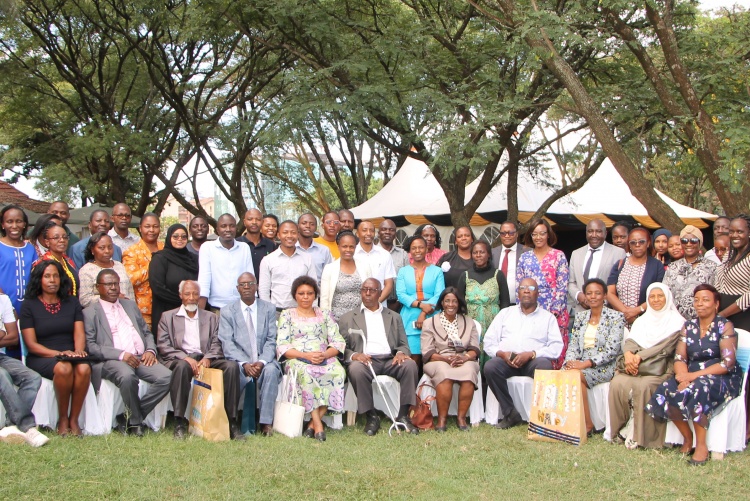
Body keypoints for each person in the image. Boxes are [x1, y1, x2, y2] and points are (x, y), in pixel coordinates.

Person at [646, 284, 744, 465]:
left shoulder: (725, 326)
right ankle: (687, 437)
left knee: (699, 388)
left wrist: (693, 377)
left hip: (722, 376)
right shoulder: (688, 326)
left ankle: (701, 446)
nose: (700, 304)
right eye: (697, 300)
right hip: (691, 374)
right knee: (665, 389)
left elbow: (727, 363)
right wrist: (682, 377)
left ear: (716, 304)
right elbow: (679, 358)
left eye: (705, 300)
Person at [83, 269, 171, 437]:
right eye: (108, 284)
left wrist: (150, 350)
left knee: (167, 377)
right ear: (97, 287)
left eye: (116, 284)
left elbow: (146, 332)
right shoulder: (89, 312)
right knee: (128, 377)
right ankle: (136, 423)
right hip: (113, 360)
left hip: (139, 357)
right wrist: (121, 354)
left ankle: (127, 418)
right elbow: (91, 347)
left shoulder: (130, 305)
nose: (114, 288)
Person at [157, 280, 243, 440]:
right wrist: (186, 358)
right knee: (182, 367)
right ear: (180, 295)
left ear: (200, 296)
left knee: (231, 367)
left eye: (195, 294)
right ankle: (179, 422)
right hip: (181, 358)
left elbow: (218, 342)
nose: (191, 297)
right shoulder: (168, 317)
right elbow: (163, 346)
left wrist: (208, 358)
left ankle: (231, 422)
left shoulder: (211, 317)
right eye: (187, 294)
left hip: (205, 357)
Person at [339, 278, 419, 435]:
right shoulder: (347, 318)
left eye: (372, 290)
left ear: (381, 293)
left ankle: (403, 415)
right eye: (364, 290)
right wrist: (355, 355)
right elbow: (341, 347)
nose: (367, 293)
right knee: (355, 369)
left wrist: (401, 353)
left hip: (390, 359)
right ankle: (371, 416)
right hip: (366, 360)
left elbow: (404, 344)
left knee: (410, 366)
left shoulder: (394, 316)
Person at [19, 260, 90, 437]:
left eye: (56, 276)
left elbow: (79, 333)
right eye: (47, 276)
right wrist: (59, 354)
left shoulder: (72, 302)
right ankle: (63, 419)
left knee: (84, 367)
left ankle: (74, 419)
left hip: (71, 353)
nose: (52, 280)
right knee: (63, 367)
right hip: (43, 356)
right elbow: (31, 344)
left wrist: (78, 352)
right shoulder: (29, 305)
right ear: (39, 280)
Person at [608, 283, 683, 449]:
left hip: (662, 368)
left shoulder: (677, 322)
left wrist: (638, 357)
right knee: (617, 382)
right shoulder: (642, 320)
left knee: (645, 385)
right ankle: (621, 429)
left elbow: (665, 347)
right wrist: (628, 355)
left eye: (660, 296)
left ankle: (642, 436)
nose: (656, 300)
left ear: (668, 298)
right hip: (638, 365)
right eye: (652, 297)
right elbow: (631, 341)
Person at [483, 278, 563, 429]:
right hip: (507, 361)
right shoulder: (505, 313)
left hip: (532, 361)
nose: (526, 290)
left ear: (537, 293)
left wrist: (532, 354)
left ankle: (543, 416)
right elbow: (489, 342)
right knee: (490, 367)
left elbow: (556, 348)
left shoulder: (548, 318)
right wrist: (502, 354)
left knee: (545, 366)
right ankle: (510, 413)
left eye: (531, 287)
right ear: (518, 293)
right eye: (523, 288)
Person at [276, 276, 346, 441]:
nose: (305, 297)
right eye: (301, 293)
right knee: (308, 373)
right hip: (297, 358)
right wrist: (305, 355)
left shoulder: (325, 314)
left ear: (316, 295)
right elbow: (282, 346)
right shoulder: (287, 315)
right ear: (295, 295)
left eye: (310, 293)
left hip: (324, 356)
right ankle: (318, 425)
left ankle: (311, 425)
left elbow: (338, 341)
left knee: (338, 372)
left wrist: (325, 354)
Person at [218, 273, 281, 437]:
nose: (246, 287)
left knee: (272, 371)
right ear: (237, 289)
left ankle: (266, 423)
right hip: (239, 362)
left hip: (263, 361)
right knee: (231, 372)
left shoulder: (268, 308)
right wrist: (244, 363)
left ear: (257, 286)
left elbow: (271, 340)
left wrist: (261, 362)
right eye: (242, 284)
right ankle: (233, 421)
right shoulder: (227, 311)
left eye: (250, 283)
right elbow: (227, 342)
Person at [562, 278, 625, 435]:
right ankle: (567, 421)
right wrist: (570, 362)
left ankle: (587, 424)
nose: (593, 297)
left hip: (605, 366)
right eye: (589, 293)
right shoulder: (581, 317)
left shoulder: (616, 317)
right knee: (566, 373)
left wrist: (586, 364)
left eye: (597, 293)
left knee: (576, 376)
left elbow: (611, 350)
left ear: (605, 295)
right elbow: (574, 344)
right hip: (581, 364)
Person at [420, 287, 480, 432]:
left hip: (463, 358)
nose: (451, 305)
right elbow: (427, 352)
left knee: (469, 371)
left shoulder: (469, 322)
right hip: (437, 360)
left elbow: (474, 349)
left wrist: (464, 358)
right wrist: (446, 359)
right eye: (447, 301)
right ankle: (442, 419)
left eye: (454, 301)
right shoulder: (429, 323)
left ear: (459, 303)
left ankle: (461, 418)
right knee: (444, 373)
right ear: (442, 303)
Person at [517, 218, 569, 368]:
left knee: (554, 357)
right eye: (534, 234)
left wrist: (553, 313)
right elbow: (519, 286)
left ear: (548, 235)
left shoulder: (558, 256)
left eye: (542, 233)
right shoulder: (525, 257)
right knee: (533, 355)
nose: (538, 237)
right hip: (531, 313)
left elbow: (562, 286)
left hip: (554, 313)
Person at [0, 292, 48, 447]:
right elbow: (3, 333)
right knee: (2, 375)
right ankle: (27, 427)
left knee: (32, 377)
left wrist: (3, 334)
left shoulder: (3, 300)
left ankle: (11, 427)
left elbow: (13, 337)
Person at [456, 240, 510, 370]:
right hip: (472, 322)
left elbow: (505, 302)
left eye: (482, 252)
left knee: (492, 353)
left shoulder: (498, 275)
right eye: (475, 252)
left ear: (489, 255)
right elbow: (459, 301)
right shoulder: (465, 275)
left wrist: (503, 324)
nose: (478, 255)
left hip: (493, 320)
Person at [396, 235, 445, 366]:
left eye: (421, 247)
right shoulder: (403, 271)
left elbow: (439, 294)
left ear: (426, 249)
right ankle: (413, 386)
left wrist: (424, 313)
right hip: (409, 315)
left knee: (433, 356)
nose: (417, 250)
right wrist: (421, 305)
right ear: (410, 251)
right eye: (414, 248)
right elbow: (401, 294)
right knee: (412, 358)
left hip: (432, 314)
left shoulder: (437, 271)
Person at [607, 227, 665, 327]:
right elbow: (609, 292)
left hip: (646, 323)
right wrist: (626, 312)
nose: (637, 245)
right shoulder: (620, 264)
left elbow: (660, 294)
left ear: (648, 243)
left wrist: (637, 311)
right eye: (633, 242)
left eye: (641, 241)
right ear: (629, 245)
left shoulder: (657, 266)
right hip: (620, 322)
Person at [567, 219, 626, 317]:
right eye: (590, 231)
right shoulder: (576, 253)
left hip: (607, 312)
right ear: (586, 233)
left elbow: (620, 284)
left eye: (598, 231)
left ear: (605, 233)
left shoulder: (618, 253)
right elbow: (571, 282)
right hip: (581, 311)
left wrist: (601, 299)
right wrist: (579, 296)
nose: (594, 235)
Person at [197, 214, 254, 311]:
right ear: (217, 229)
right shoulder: (207, 248)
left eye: (232, 226)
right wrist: (200, 314)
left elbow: (250, 278)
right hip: (217, 308)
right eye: (223, 226)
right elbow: (204, 280)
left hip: (241, 308)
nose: (228, 229)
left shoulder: (244, 247)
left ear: (236, 228)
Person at [0, 205, 36, 359]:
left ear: (24, 225)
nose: (14, 226)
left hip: (28, 306)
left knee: (26, 348)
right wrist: (8, 307)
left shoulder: (30, 248)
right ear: (2, 224)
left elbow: (36, 277)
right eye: (9, 221)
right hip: (4, 307)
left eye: (18, 221)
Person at [259, 220, 317, 314]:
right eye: (285, 232)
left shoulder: (307, 258)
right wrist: (268, 312)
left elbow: (313, 287)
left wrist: (313, 311)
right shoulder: (268, 260)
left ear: (298, 235)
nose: (289, 236)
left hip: (302, 312)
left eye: (293, 232)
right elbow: (263, 290)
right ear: (278, 235)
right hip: (277, 312)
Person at [149, 224, 199, 330]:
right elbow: (158, 288)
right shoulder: (160, 258)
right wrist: (183, 300)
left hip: (191, 310)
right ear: (169, 238)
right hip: (167, 312)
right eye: (175, 236)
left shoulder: (194, 259)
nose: (179, 239)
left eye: (183, 236)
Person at [663, 225, 717, 319]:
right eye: (684, 241)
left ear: (700, 243)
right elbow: (665, 293)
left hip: (701, 321)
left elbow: (715, 295)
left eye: (693, 241)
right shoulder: (673, 267)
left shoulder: (711, 267)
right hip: (674, 321)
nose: (689, 244)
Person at [123, 213, 164, 328]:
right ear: (140, 228)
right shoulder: (131, 251)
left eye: (155, 226)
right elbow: (130, 279)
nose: (151, 230)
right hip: (144, 310)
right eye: (147, 226)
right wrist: (154, 265)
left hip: (166, 306)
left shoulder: (165, 248)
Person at [320, 231, 372, 320]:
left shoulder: (365, 266)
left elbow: (370, 293)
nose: (348, 250)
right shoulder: (329, 268)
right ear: (338, 247)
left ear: (355, 247)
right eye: (344, 246)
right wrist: (326, 321)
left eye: (351, 247)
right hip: (336, 320)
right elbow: (324, 298)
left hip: (360, 319)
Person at [77, 232, 135, 308]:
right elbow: (85, 300)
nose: (107, 251)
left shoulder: (119, 265)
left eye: (110, 247)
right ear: (92, 250)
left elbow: (130, 291)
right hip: (102, 314)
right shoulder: (86, 270)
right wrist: (113, 298)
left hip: (126, 310)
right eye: (102, 248)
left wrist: (133, 308)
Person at [716, 215, 750, 331]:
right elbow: (718, 283)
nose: (735, 235)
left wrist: (724, 313)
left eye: (740, 231)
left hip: (743, 317)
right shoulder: (728, 255)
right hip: (721, 316)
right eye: (731, 231)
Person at [354, 220, 396, 306]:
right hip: (356, 307)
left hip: (380, 307)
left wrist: (375, 304)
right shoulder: (352, 254)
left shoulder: (385, 255)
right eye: (364, 230)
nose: (368, 233)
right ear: (357, 233)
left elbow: (389, 284)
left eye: (371, 230)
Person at [33, 221, 79, 297]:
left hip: (72, 305)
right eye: (56, 237)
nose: (62, 240)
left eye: (65, 237)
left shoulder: (68, 260)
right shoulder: (42, 263)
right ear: (47, 242)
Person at [491, 221, 530, 305]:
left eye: (511, 233)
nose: (507, 236)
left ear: (517, 234)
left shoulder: (527, 252)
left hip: (519, 304)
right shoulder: (492, 253)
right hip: (496, 304)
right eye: (503, 233)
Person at [378, 219, 410, 312]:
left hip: (398, 304)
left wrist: (399, 302)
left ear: (395, 234)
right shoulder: (373, 253)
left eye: (391, 230)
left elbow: (407, 280)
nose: (387, 232)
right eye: (384, 229)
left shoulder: (403, 254)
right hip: (377, 302)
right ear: (378, 233)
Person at [238, 208, 276, 280]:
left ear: (262, 222)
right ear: (244, 222)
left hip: (265, 288)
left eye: (258, 219)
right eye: (250, 219)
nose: (254, 222)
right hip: (243, 289)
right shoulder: (237, 243)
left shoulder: (270, 245)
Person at [296, 213, 332, 284]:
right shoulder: (291, 249)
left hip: (318, 293)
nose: (308, 226)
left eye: (312, 224)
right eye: (304, 223)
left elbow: (328, 277)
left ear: (316, 228)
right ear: (298, 226)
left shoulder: (324, 250)